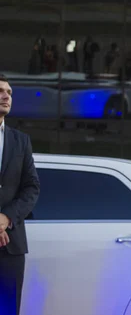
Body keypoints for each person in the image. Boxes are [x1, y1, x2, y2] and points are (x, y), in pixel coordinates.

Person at [0, 74, 40, 315]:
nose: (6, 96)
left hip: (11, 246)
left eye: (10, 92)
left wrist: (5, 219)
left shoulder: (21, 141)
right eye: (1, 91)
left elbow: (31, 187)